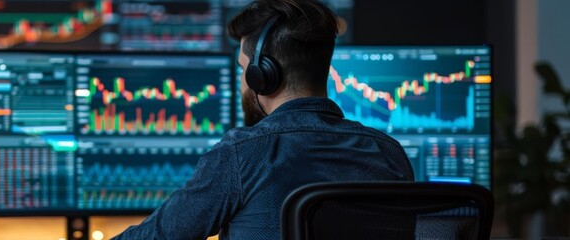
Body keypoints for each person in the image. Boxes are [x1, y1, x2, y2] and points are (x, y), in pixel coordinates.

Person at [112, 0, 414, 239]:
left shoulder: (242, 153)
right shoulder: (390, 154)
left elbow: (159, 235)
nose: (243, 82)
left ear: (263, 75)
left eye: (244, 68)